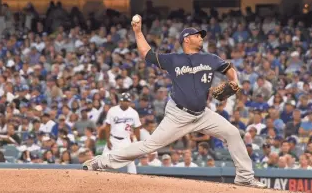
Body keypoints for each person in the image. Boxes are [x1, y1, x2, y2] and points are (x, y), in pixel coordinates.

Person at [83, 16, 266, 189]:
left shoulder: (210, 58)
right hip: (178, 115)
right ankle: (101, 161)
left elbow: (229, 69)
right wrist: (138, 32)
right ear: (186, 39)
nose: (201, 38)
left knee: (233, 133)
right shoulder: (174, 59)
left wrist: (234, 81)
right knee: (148, 146)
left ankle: (244, 177)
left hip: (202, 114)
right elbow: (147, 54)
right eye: (197, 35)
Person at [102, 92, 141, 174]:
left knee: (130, 161)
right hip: (113, 139)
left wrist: (137, 141)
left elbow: (137, 128)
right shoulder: (113, 110)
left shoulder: (133, 113)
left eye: (127, 101)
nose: (125, 102)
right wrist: (108, 140)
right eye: (124, 101)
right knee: (104, 158)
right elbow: (107, 126)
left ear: (129, 102)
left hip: (126, 140)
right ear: (120, 101)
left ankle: (134, 179)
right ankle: (99, 177)